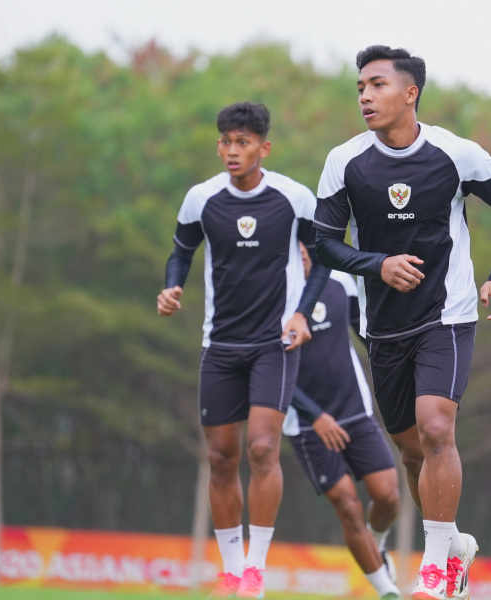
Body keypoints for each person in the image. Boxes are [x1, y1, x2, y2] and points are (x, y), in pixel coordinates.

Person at [313, 45, 491, 600]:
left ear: (410, 93)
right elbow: (323, 243)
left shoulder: (455, 154)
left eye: (377, 85)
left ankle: (435, 568)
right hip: (382, 326)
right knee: (411, 449)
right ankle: (452, 543)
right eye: (360, 86)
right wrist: (376, 265)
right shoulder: (346, 162)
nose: (364, 95)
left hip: (447, 315)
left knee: (436, 429)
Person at [156, 102, 330, 599]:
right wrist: (172, 286)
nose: (232, 151)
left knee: (261, 447)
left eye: (243, 143)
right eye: (226, 142)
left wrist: (301, 313)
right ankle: (230, 571)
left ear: (263, 148)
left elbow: (322, 262)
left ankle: (255, 570)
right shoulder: (201, 199)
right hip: (220, 344)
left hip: (275, 343)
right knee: (220, 457)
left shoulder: (294, 198)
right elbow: (181, 250)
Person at [282, 242, 401, 599]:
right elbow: (271, 371)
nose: (301, 250)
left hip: (354, 409)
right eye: (293, 244)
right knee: (348, 504)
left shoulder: (340, 282)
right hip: (307, 424)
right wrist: (317, 418)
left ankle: (375, 544)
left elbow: (364, 333)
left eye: (306, 243)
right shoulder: (272, 297)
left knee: (388, 497)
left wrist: (398, 366)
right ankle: (386, 590)